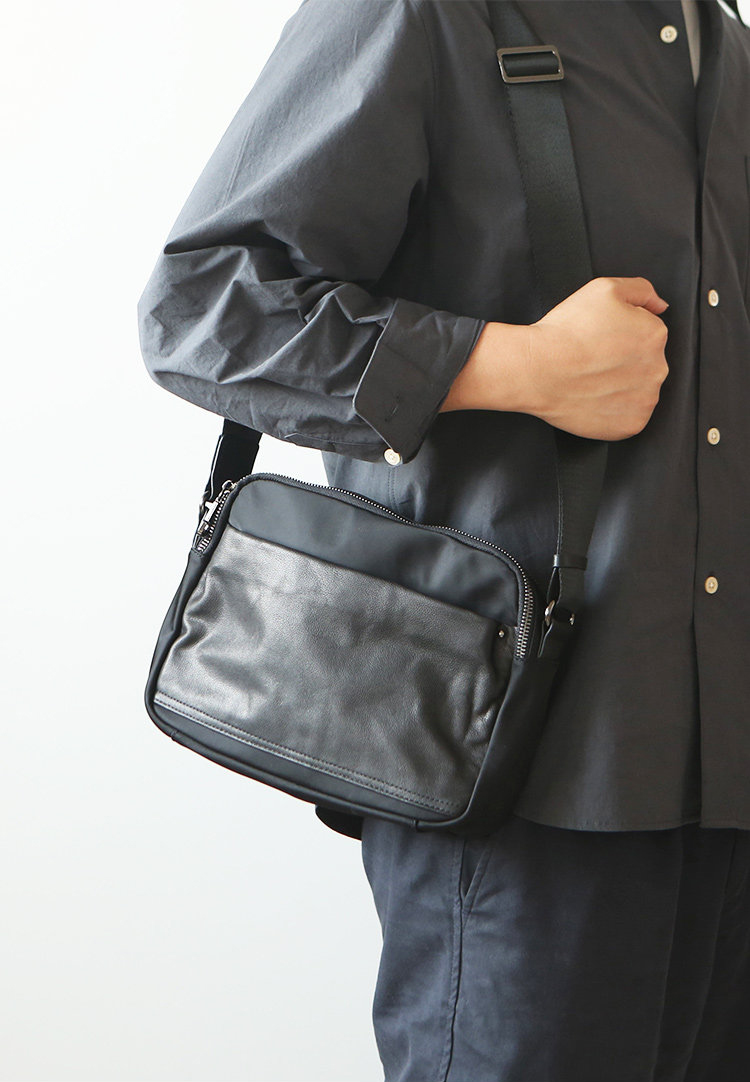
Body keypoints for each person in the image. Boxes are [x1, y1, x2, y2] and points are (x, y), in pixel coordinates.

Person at [137, 1, 750, 1078]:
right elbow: (202, 308)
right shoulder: (426, 11)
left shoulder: (722, 39)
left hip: (724, 788)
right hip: (518, 777)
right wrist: (514, 365)